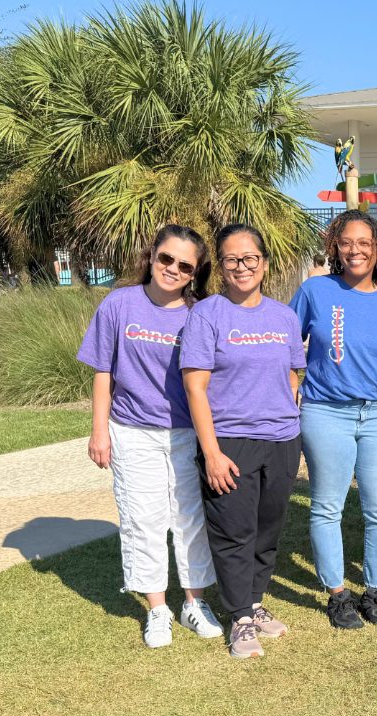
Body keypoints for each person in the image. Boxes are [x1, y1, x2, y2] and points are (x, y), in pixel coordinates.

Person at [77, 224, 221, 648]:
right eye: (166, 259)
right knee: (144, 520)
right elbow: (104, 372)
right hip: (131, 431)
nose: (172, 269)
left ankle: (194, 602)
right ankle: (157, 608)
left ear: (194, 273)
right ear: (152, 256)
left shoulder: (201, 312)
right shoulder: (119, 304)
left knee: (190, 519)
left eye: (184, 265)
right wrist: (98, 431)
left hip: (185, 433)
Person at [180, 224, 306, 659]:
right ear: (221, 267)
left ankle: (254, 602)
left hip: (283, 440)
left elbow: (293, 372)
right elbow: (195, 387)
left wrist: (286, 414)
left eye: (250, 258)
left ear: (264, 263)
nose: (242, 266)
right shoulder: (207, 315)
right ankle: (238, 617)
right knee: (234, 532)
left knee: (267, 529)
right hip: (231, 440)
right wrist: (211, 452)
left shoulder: (283, 316)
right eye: (232, 259)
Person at [289, 210, 377, 630]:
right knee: (327, 506)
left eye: (365, 242)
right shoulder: (315, 291)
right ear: (335, 247)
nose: (356, 250)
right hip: (326, 412)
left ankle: (374, 591)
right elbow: (286, 347)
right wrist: (293, 388)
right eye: (347, 242)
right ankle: (337, 594)